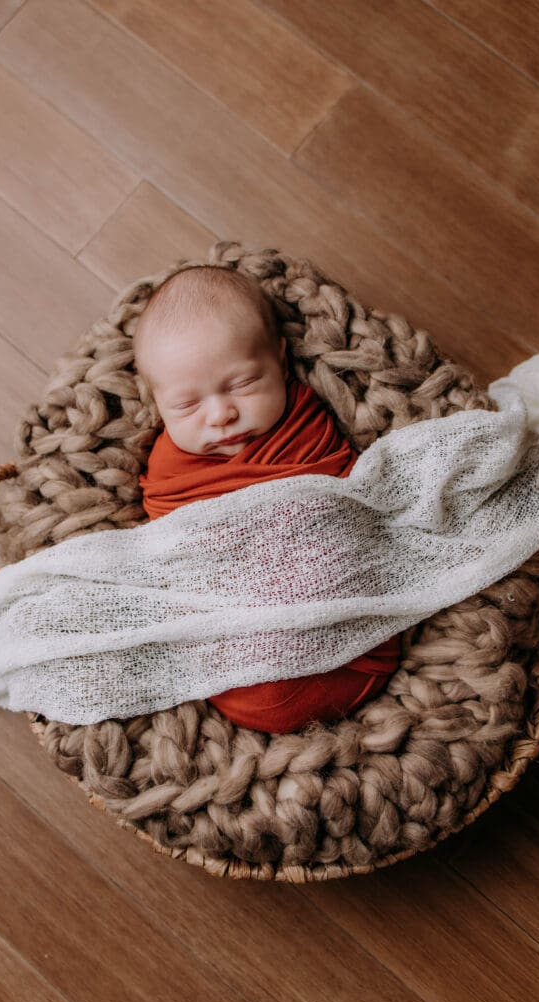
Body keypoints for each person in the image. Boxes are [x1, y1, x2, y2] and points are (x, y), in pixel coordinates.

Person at [133, 265, 401, 732]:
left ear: (279, 359)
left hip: (351, 646)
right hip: (241, 672)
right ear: (158, 404)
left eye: (241, 384)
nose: (221, 414)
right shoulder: (166, 468)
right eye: (187, 405)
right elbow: (170, 559)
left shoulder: (305, 423)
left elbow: (350, 508)